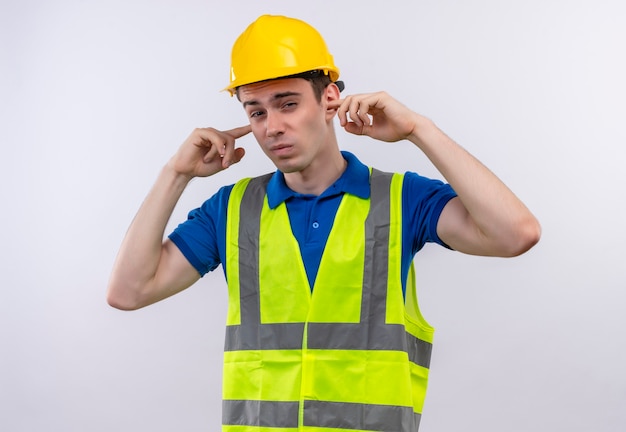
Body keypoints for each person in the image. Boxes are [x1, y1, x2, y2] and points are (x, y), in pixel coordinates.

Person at [107, 14, 540, 432]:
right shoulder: (232, 209)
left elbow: (515, 234)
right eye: (256, 112)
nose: (271, 127)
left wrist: (418, 130)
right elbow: (129, 291)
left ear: (329, 98)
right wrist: (175, 174)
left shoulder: (401, 199)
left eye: (288, 104)